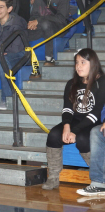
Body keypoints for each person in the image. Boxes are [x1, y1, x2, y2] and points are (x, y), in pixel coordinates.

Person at [44, 49, 105, 190]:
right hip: (74, 121)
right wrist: (66, 126)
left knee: (83, 139)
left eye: (83, 62)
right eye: (77, 62)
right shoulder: (71, 83)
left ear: (93, 63)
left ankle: (100, 177)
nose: (78, 66)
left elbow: (96, 113)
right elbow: (67, 108)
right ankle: (53, 177)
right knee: (53, 134)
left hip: (92, 122)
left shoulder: (101, 82)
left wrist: (75, 131)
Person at [28, 0, 69, 70]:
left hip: (59, 27)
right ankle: (29, 63)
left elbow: (61, 18)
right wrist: (32, 23)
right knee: (22, 30)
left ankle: (49, 58)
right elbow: (34, 15)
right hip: (42, 26)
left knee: (46, 24)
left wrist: (40, 20)